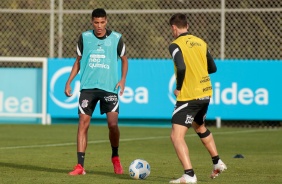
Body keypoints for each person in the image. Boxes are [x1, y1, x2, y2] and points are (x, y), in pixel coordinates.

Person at [65, 8, 128, 176]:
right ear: (92, 22)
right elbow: (78, 61)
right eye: (96, 22)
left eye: (102, 22)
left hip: (109, 87)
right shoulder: (84, 37)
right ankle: (80, 166)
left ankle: (115, 157)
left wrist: (122, 80)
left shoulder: (116, 38)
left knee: (113, 125)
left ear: (106, 21)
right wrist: (69, 81)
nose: (99, 26)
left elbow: (124, 59)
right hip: (88, 88)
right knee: (82, 125)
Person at [168, 13, 227, 183]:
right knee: (199, 126)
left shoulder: (175, 44)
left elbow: (181, 67)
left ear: (174, 28)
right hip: (205, 92)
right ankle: (217, 162)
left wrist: (178, 87)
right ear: (187, 25)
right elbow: (213, 68)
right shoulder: (201, 42)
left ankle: (189, 174)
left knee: (176, 136)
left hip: (189, 95)